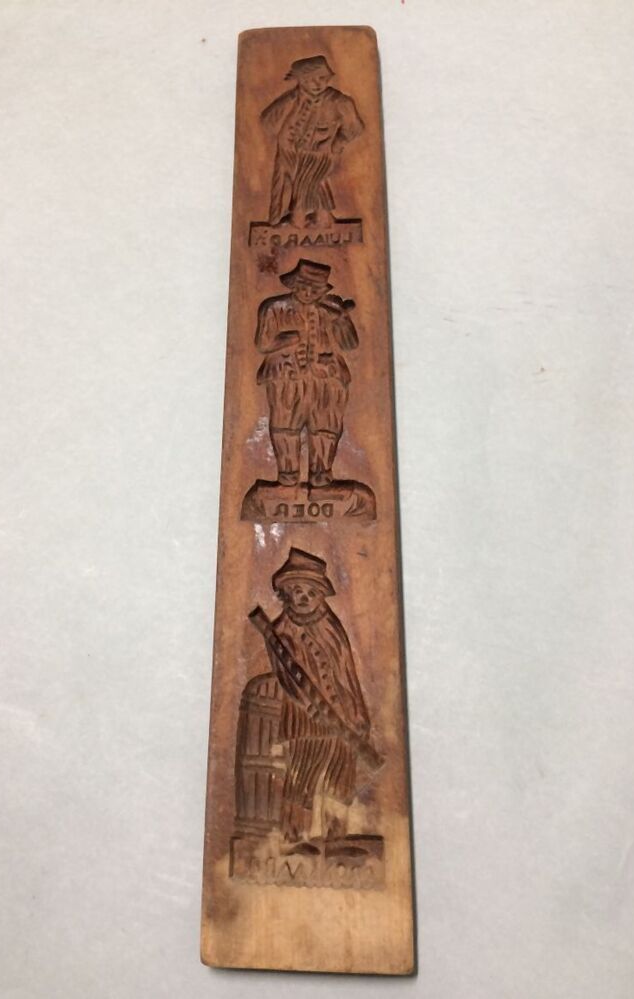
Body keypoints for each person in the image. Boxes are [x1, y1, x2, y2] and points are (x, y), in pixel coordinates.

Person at [264, 548, 370, 847]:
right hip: (306, 718)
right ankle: (293, 837)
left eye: (311, 592)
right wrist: (311, 705)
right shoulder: (280, 631)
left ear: (321, 595)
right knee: (302, 774)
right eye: (297, 590)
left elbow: (348, 672)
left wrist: (358, 711)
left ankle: (336, 837)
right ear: (286, 593)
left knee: (341, 773)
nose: (304, 597)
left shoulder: (331, 626)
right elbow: (286, 678)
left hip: (342, 713)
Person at [255, 259, 358, 488]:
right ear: (293, 284)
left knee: (325, 427)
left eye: (315, 290)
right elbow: (263, 343)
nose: (308, 293)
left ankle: (321, 476)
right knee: (285, 427)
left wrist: (342, 319)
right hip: (287, 377)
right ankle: (287, 478)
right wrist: (288, 339)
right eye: (303, 287)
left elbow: (350, 344)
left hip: (325, 379)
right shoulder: (275, 308)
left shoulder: (330, 310)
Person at [261, 55, 364, 227]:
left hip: (320, 154)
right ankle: (318, 220)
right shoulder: (293, 98)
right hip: (290, 152)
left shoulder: (339, 101)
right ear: (300, 81)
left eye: (322, 78)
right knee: (304, 185)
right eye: (310, 80)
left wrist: (337, 144)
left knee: (308, 183)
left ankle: (300, 221)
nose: (317, 84)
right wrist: (290, 100)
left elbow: (355, 128)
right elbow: (267, 120)